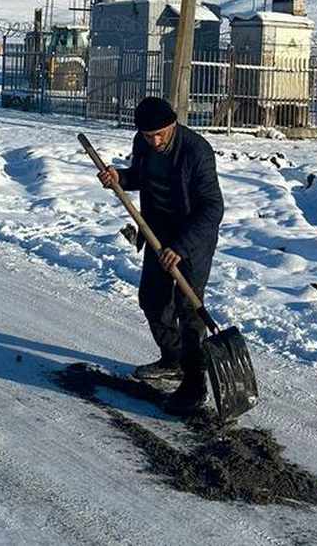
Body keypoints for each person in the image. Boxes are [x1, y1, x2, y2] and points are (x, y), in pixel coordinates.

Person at [97, 97, 224, 415]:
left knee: (188, 308)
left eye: (160, 134)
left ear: (173, 125)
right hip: (157, 235)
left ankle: (195, 385)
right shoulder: (143, 142)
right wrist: (120, 178)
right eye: (147, 135)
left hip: (191, 239)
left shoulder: (197, 151)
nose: (154, 141)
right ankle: (173, 360)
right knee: (152, 299)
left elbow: (212, 208)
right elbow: (143, 176)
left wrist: (181, 248)